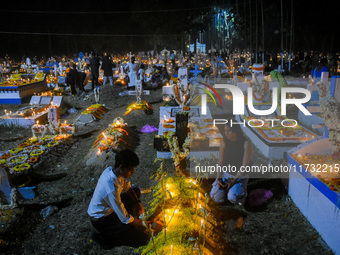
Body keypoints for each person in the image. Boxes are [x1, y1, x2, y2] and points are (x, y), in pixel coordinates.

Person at [88, 149, 162, 249]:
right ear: (122, 167)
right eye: (131, 170)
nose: (132, 173)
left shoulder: (112, 171)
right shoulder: (111, 187)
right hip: (102, 221)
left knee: (135, 192)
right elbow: (125, 218)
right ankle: (104, 237)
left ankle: (130, 225)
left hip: (110, 209)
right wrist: (148, 224)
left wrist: (137, 203)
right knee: (142, 239)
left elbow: (127, 187)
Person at [210, 121, 253, 205]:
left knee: (233, 198)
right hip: (226, 175)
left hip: (239, 176)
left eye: (229, 131)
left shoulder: (246, 144)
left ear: (236, 130)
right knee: (216, 198)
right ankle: (227, 190)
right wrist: (218, 178)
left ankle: (241, 193)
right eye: (225, 131)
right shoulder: (224, 143)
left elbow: (244, 165)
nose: (226, 133)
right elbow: (221, 162)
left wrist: (233, 181)